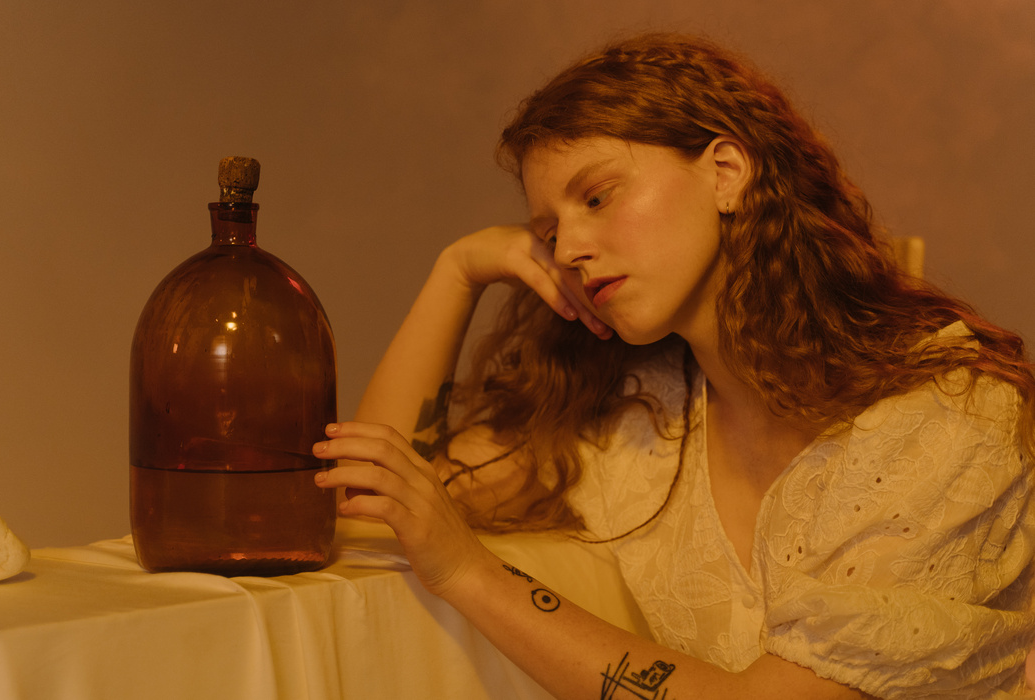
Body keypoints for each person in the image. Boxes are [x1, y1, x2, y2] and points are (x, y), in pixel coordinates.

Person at [313, 33, 1035, 699]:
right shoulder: (643, 418)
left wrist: (469, 573)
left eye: (598, 197)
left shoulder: (946, 411)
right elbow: (377, 497)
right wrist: (457, 271)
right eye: (549, 231)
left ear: (726, 172)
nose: (567, 250)